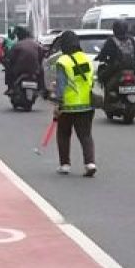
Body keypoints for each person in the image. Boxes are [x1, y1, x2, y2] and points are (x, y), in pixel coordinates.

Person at [52, 30, 97, 177]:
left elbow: (61, 85)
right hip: (86, 104)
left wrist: (58, 104)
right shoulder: (86, 59)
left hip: (68, 105)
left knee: (64, 134)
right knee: (86, 135)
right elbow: (91, 80)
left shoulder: (62, 61)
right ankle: (90, 163)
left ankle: (65, 164)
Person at [96, 18, 135, 90]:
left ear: (114, 29)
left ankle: (107, 95)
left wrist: (99, 58)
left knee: (101, 77)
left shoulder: (111, 40)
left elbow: (103, 54)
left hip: (115, 68)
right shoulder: (131, 39)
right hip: (132, 68)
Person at [4, 25, 45, 94]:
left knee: (8, 68)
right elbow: (41, 57)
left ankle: (10, 88)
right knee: (41, 69)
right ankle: (42, 88)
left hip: (20, 69)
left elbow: (10, 58)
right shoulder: (36, 44)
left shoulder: (17, 45)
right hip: (34, 68)